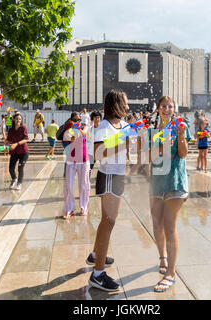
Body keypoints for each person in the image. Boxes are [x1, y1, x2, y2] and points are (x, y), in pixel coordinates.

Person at [144, 96, 190, 293]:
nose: (167, 109)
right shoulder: (152, 131)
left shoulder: (181, 126)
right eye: (163, 106)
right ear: (158, 109)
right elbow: (148, 156)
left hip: (175, 181)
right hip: (156, 182)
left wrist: (180, 136)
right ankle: (162, 256)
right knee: (157, 224)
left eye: (170, 106)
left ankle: (170, 273)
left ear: (174, 109)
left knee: (169, 226)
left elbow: (184, 153)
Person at [87, 89, 129, 292]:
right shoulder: (104, 126)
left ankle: (96, 255)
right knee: (108, 221)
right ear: (116, 105)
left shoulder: (122, 125)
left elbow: (124, 145)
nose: (128, 107)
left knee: (107, 220)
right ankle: (98, 274)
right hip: (109, 175)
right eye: (125, 103)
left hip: (118, 175)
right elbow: (98, 153)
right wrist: (123, 143)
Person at [62, 117, 90, 219]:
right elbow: (68, 139)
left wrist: (78, 129)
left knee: (83, 185)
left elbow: (84, 133)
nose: (77, 121)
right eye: (75, 119)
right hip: (71, 160)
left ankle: (84, 207)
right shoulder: (69, 129)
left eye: (78, 119)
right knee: (69, 185)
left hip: (83, 160)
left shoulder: (84, 127)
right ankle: (69, 209)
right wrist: (72, 132)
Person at [5, 113, 29, 191]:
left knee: (20, 168)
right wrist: (7, 143)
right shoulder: (11, 130)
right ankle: (14, 179)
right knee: (11, 169)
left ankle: (19, 183)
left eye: (19, 119)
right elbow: (8, 140)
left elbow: (26, 139)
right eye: (17, 119)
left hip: (23, 151)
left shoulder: (23, 128)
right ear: (14, 120)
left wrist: (16, 144)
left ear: (21, 120)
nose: (18, 120)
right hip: (14, 152)